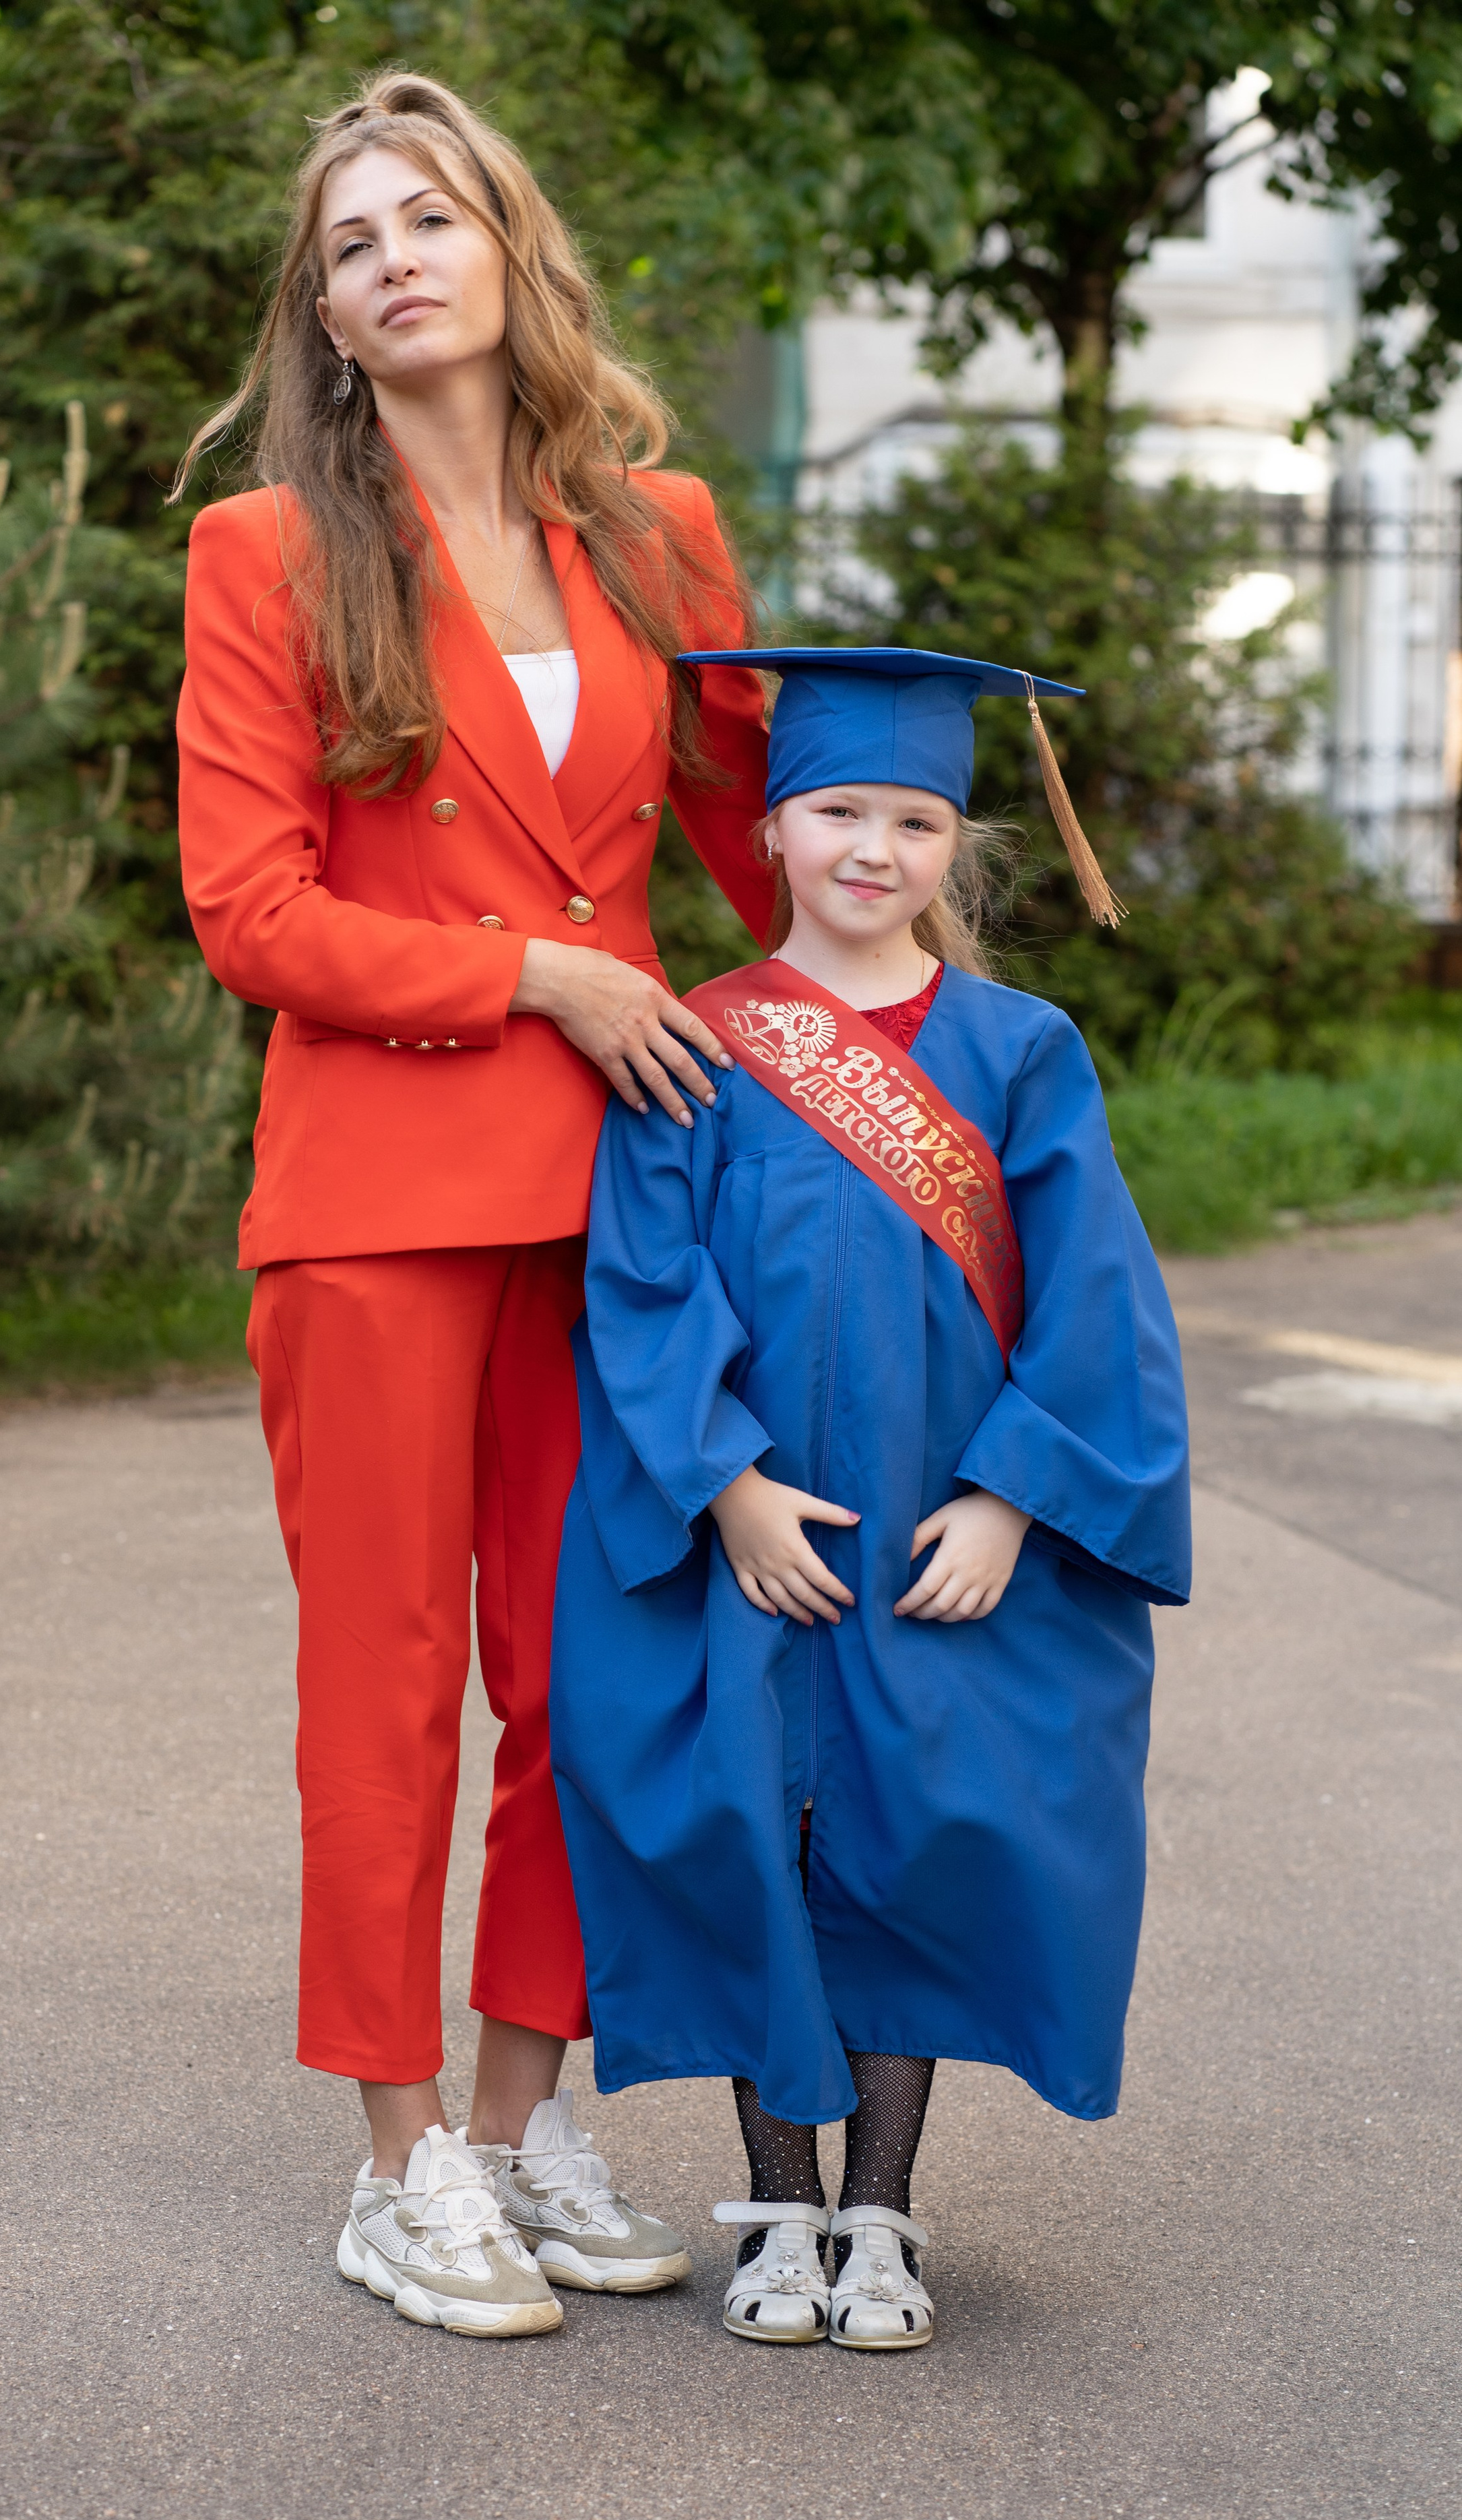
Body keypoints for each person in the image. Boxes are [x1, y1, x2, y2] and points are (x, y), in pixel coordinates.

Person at [174, 71, 775, 2339]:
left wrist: (926, 1034)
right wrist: (536, 972)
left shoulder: (658, 530)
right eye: (353, 243)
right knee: (390, 1682)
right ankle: (393, 2154)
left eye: (434, 217)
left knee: (593, 1677)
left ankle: (525, 2130)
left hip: (619, 1204)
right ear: (324, 319)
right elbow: (252, 910)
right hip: (376, 1197)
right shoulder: (267, 556)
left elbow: (746, 847)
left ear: (513, 254)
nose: (396, 258)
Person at [548, 648, 1191, 2349]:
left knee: (916, 1841)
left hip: (929, 1538)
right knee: (756, 1830)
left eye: (912, 819)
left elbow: (1091, 1298)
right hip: (758, 1542)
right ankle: (774, 2212)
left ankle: (882, 2216)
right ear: (769, 830)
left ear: (951, 848)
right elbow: (643, 1282)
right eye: (837, 809)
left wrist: (1008, 1501)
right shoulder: (700, 1040)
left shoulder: (1018, 1049)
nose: (871, 847)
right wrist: (724, 1486)